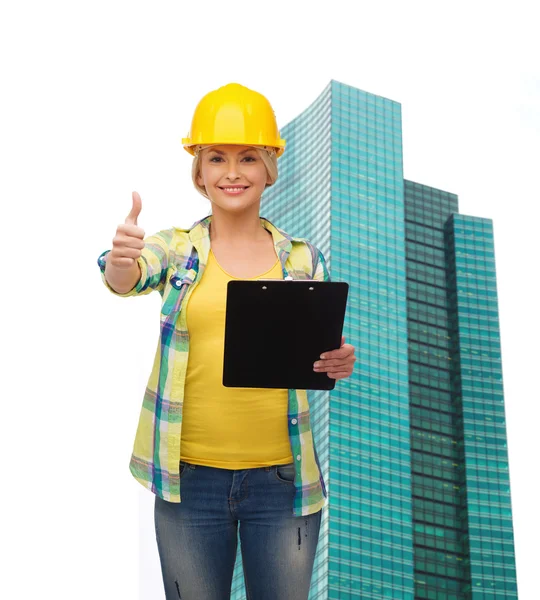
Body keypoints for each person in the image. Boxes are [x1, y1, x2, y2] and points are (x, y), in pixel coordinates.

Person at [97, 83, 357, 600]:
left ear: (268, 168)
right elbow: (126, 275)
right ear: (199, 171)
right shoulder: (176, 249)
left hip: (282, 485)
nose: (232, 172)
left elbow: (320, 349)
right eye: (216, 158)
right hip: (190, 482)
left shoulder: (302, 261)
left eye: (247, 158)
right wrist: (123, 261)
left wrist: (338, 360)